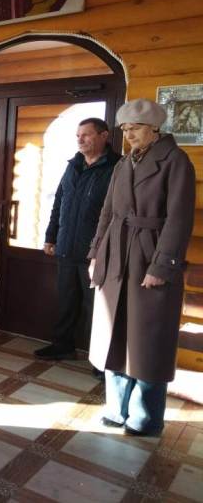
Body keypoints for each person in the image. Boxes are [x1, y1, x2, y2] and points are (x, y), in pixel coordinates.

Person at [89, 99, 195, 437]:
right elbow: (108, 212)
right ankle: (115, 410)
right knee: (115, 335)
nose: (128, 135)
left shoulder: (175, 162)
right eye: (124, 129)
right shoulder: (123, 164)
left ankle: (145, 418)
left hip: (149, 259)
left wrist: (161, 266)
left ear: (154, 128)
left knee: (148, 340)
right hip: (115, 256)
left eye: (134, 128)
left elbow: (179, 220)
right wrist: (96, 253)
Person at [35, 118, 119, 362]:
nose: (80, 140)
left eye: (86, 134)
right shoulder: (73, 165)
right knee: (66, 302)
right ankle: (63, 345)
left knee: (97, 309)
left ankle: (100, 359)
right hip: (66, 247)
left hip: (96, 252)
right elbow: (59, 203)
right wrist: (51, 237)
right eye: (78, 135)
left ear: (104, 136)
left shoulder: (116, 167)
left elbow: (117, 212)